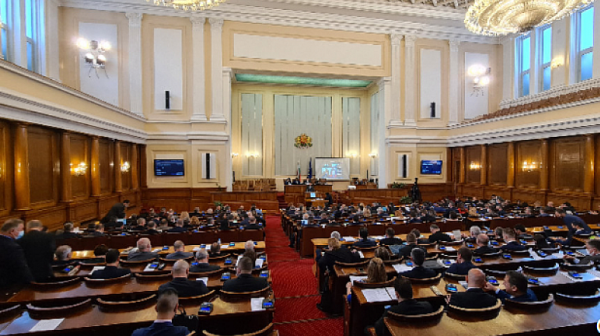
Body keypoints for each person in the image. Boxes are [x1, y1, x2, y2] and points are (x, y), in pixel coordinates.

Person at [0, 219, 33, 288]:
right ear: (12, 231)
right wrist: (31, 282)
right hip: (9, 285)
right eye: (21, 229)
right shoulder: (12, 247)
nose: (23, 232)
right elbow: (20, 267)